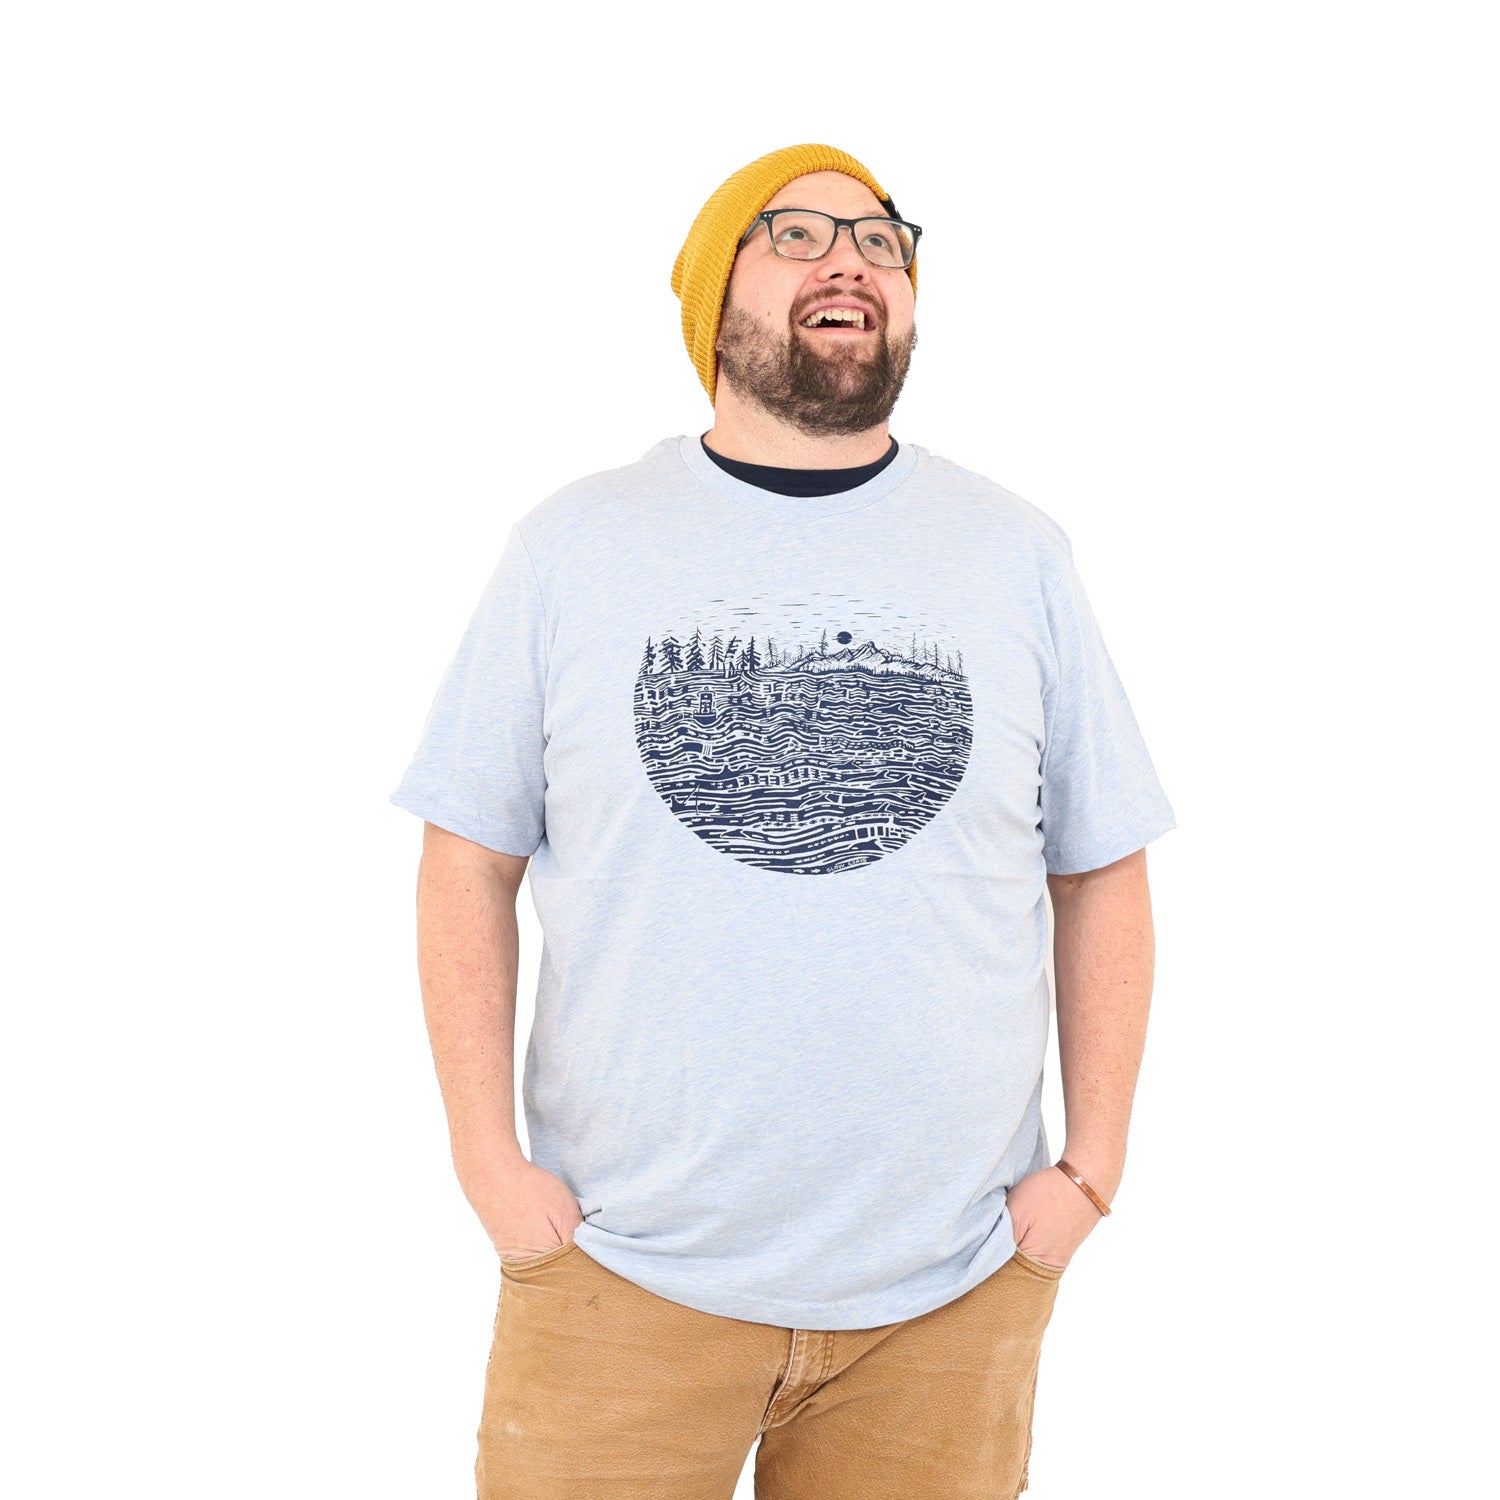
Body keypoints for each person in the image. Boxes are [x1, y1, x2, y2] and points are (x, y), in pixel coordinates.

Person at [391, 142, 1176, 1499]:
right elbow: (467, 858)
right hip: (624, 1274)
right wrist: (486, 1165)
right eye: (799, 233)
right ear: (716, 297)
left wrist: (1091, 1171)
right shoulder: (573, 548)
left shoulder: (1017, 552)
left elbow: (1100, 863)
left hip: (950, 1291)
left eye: (883, 242)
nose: (852, 263)